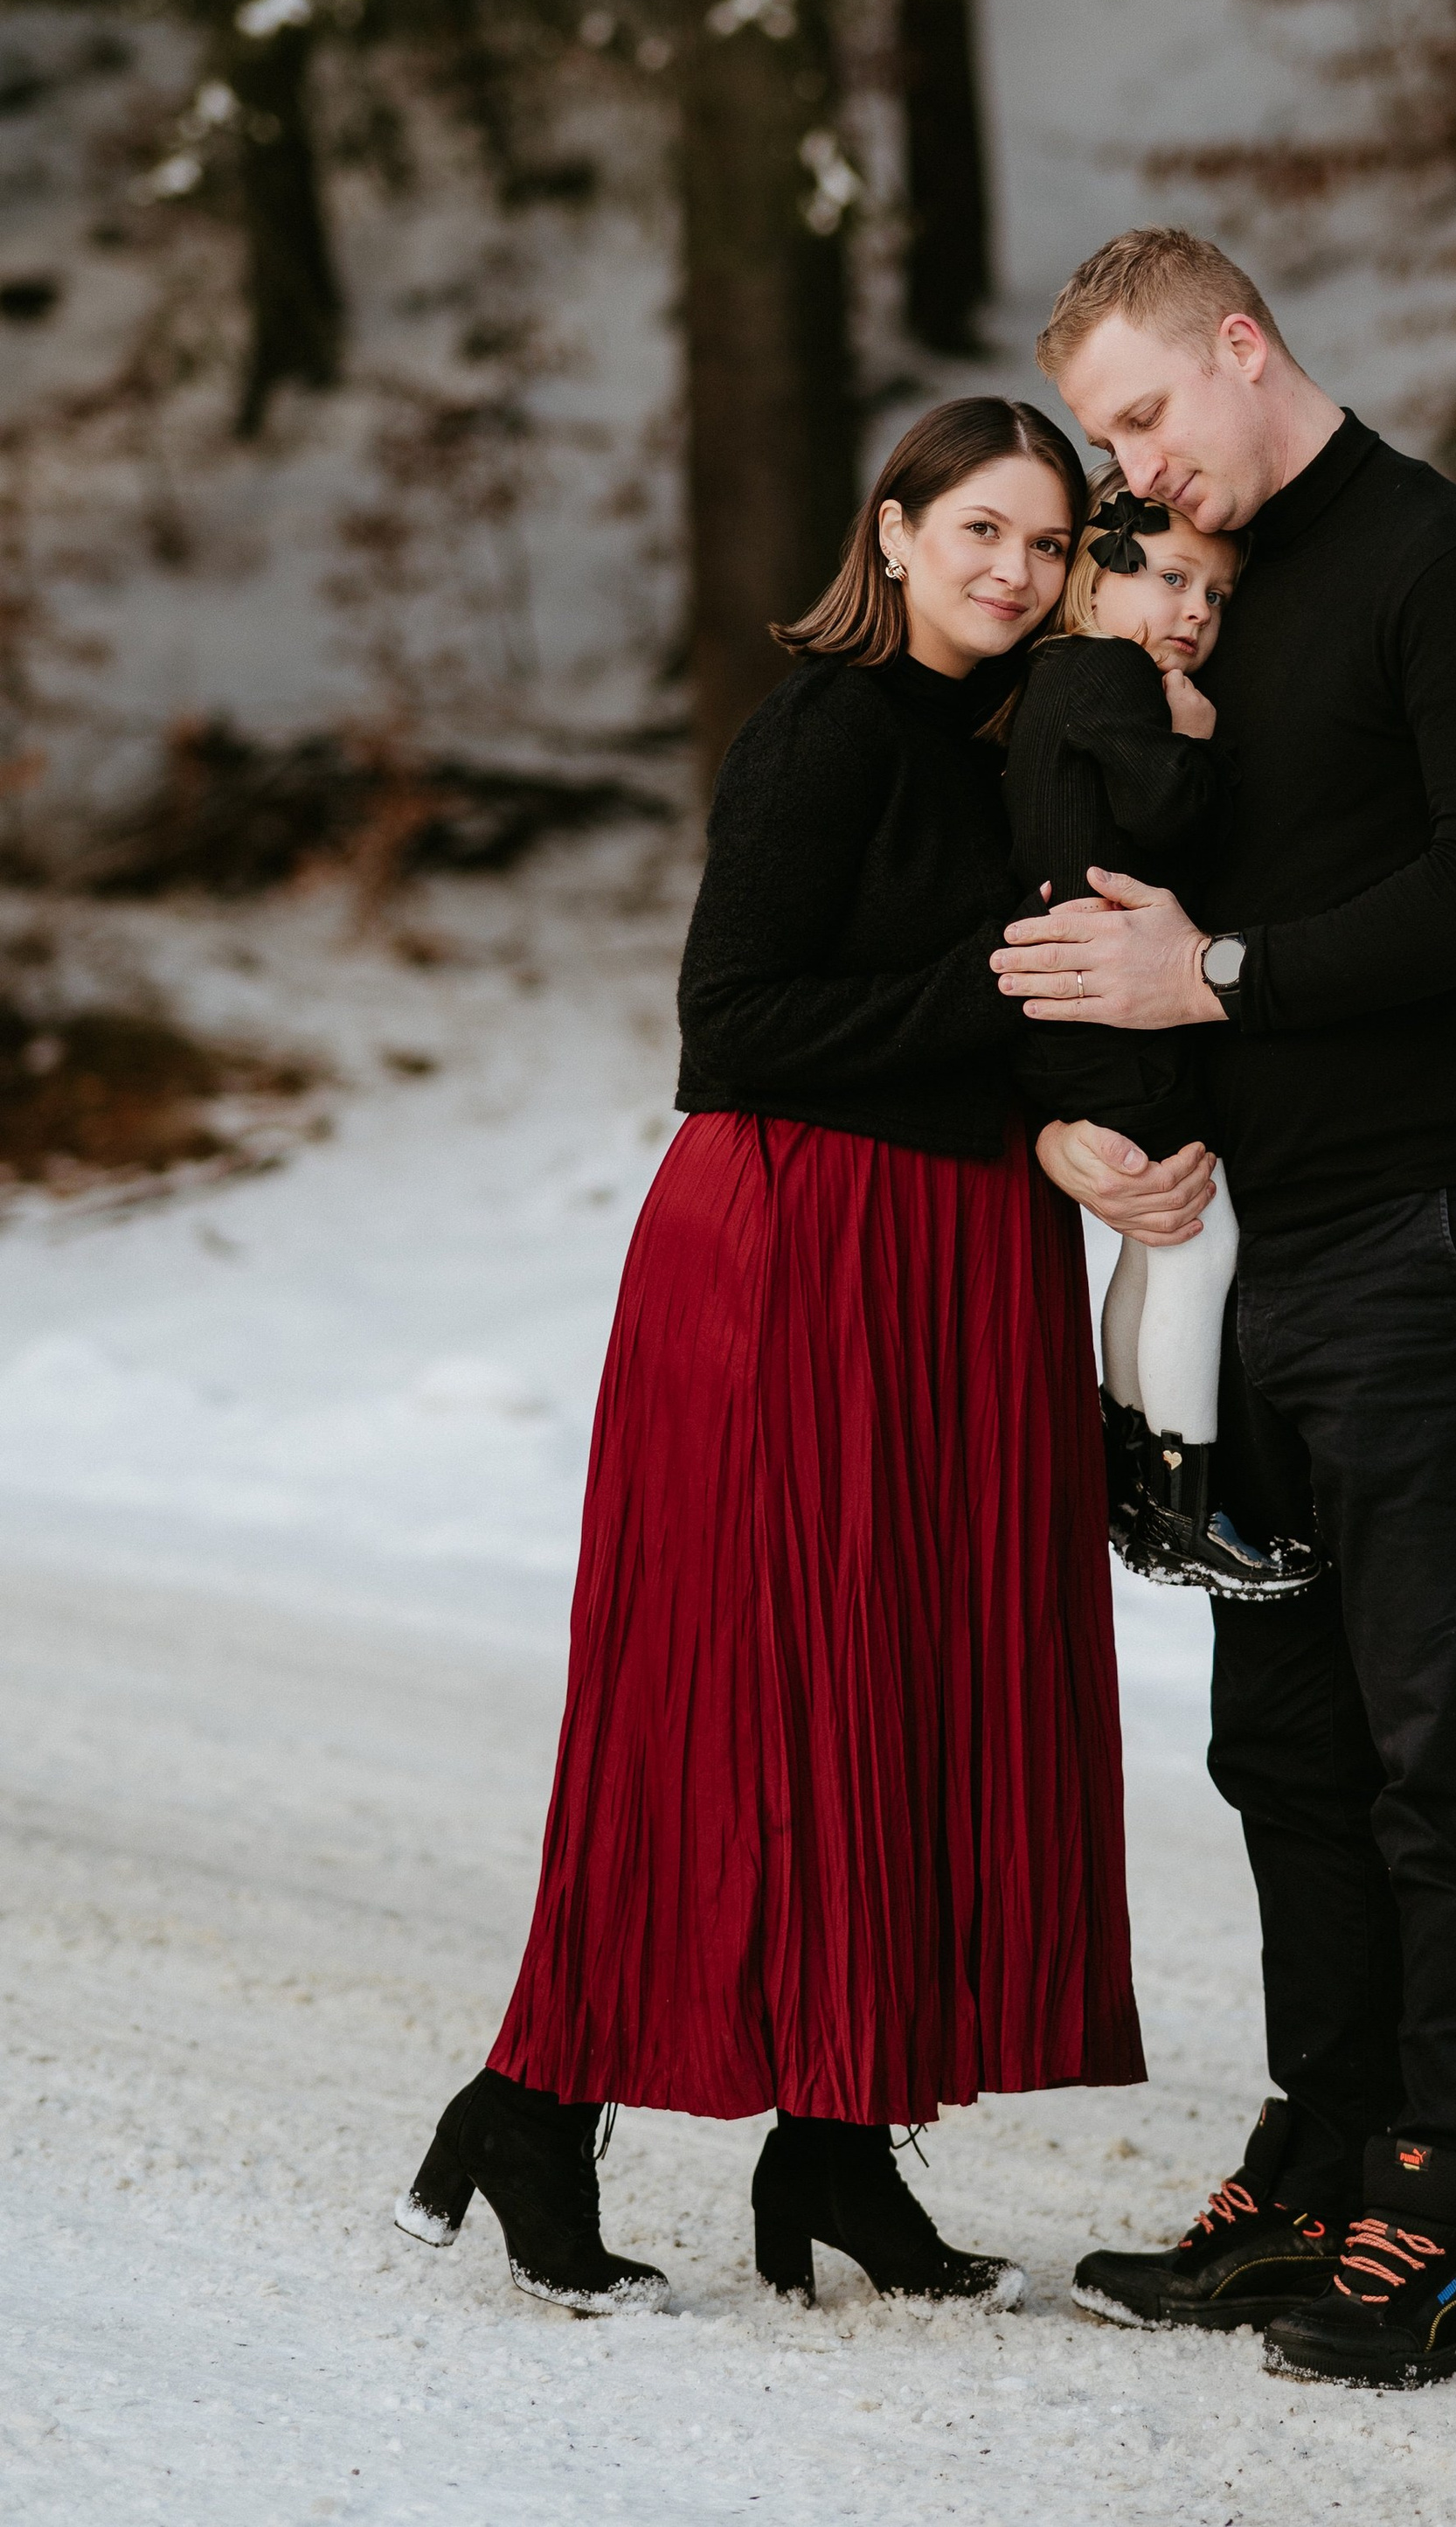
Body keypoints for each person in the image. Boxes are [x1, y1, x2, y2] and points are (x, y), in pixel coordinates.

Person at [396, 397, 1147, 2318]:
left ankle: (835, 2149)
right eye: (977, 526)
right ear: (888, 533)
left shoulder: (1009, 742)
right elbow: (731, 1016)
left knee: (910, 1691)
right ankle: (533, 2105)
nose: (1009, 568)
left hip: (960, 1248)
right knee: (721, 1699)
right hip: (798, 1239)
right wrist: (990, 989)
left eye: (1044, 543)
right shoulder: (820, 730)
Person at [998, 228, 1456, 2393]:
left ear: (1243, 348)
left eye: (1145, 414)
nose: (1129, 470)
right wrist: (1087, 1118)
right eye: (1101, 440)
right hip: (1246, 1248)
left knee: (1441, 1747)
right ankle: (1323, 2154)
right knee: (1286, 1746)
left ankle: (1445, 2216)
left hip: (1435, 1232)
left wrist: (1215, 976)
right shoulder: (1184, 596)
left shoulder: (1450, 563)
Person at [1001, 466, 1315, 1599]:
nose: (1196, 612)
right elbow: (1167, 817)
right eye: (1174, 578)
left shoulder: (1058, 678)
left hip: (1080, 1017)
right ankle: (1184, 1506)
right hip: (1115, 1021)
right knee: (1196, 1240)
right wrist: (1195, 739)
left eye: (1218, 596)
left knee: (1152, 1240)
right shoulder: (1111, 677)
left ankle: (1137, 1482)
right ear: (1099, 571)